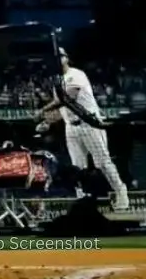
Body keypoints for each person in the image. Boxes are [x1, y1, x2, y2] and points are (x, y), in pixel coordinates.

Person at [40, 48, 129, 211]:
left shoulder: (76, 75)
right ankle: (82, 201)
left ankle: (121, 192)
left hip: (90, 124)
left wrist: (42, 110)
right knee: (77, 167)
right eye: (56, 57)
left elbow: (65, 99)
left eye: (61, 56)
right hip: (71, 128)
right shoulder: (57, 81)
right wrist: (48, 121)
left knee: (103, 162)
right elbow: (64, 109)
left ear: (67, 58)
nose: (59, 59)